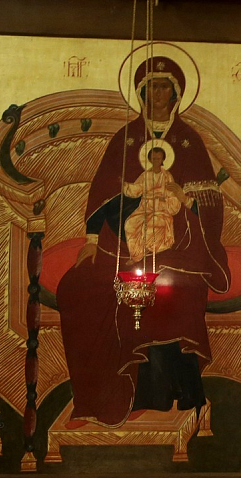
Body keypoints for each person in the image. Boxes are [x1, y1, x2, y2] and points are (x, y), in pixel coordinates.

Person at [56, 55, 230, 429]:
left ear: (176, 93)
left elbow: (209, 202)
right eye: (151, 87)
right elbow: (104, 192)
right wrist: (92, 238)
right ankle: (95, 398)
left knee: (170, 287)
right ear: (140, 92)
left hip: (181, 245)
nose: (158, 94)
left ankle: (159, 395)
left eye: (164, 86)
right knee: (77, 287)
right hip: (124, 242)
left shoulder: (189, 141)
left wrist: (186, 202)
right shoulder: (126, 138)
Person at [122, 146, 185, 262]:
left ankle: (147, 250)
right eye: (154, 159)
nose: (156, 161)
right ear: (150, 159)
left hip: (162, 209)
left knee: (152, 223)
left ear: (162, 160)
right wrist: (124, 185)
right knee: (130, 223)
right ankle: (136, 255)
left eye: (158, 159)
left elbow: (172, 194)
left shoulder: (167, 176)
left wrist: (164, 200)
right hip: (145, 208)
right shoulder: (145, 175)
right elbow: (136, 189)